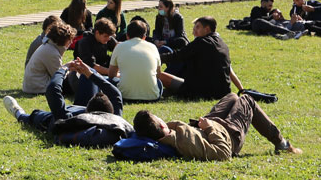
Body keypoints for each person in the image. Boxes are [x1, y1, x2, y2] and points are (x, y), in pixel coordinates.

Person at [3, 59, 133, 148]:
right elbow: (115, 94)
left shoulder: (68, 121)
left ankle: (19, 113)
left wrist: (63, 69)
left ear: (87, 110)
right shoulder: (116, 122)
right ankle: (85, 75)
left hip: (65, 117)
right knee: (86, 79)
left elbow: (53, 89)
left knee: (37, 116)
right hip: (80, 112)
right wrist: (88, 72)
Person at [132, 94, 302, 161]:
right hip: (228, 134)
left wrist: (204, 125)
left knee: (233, 97)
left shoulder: (165, 135)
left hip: (210, 124)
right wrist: (209, 128)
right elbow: (224, 153)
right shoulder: (184, 142)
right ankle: (281, 143)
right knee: (247, 100)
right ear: (161, 124)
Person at [157, 16, 243, 100]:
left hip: (201, 92)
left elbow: (176, 56)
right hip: (223, 92)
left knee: (160, 75)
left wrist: (154, 58)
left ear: (207, 29)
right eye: (194, 28)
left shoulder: (201, 42)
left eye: (197, 27)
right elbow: (230, 71)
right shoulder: (223, 45)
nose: (194, 31)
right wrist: (242, 90)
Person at [110, 19, 163, 102]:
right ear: (144, 37)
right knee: (158, 83)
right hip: (152, 97)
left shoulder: (119, 47)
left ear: (127, 35)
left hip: (125, 96)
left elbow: (111, 75)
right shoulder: (153, 47)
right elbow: (158, 75)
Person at [23, 21, 74, 93]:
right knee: (75, 82)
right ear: (63, 40)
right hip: (38, 87)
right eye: (69, 40)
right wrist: (69, 68)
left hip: (33, 85)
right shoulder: (51, 52)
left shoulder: (48, 46)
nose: (71, 42)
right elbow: (59, 76)